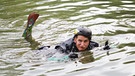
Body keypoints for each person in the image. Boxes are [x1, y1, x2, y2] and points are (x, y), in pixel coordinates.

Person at [22, 12, 99, 59]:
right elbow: (52, 60)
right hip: (51, 50)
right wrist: (67, 58)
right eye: (80, 41)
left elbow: (99, 48)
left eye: (85, 41)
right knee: (37, 47)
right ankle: (29, 38)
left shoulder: (92, 45)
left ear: (89, 41)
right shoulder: (65, 48)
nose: (82, 45)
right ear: (75, 39)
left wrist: (106, 49)